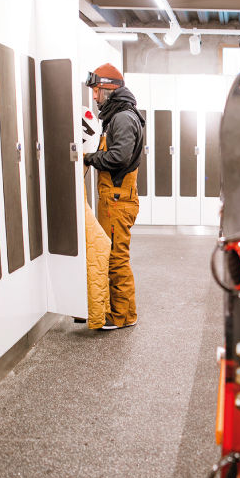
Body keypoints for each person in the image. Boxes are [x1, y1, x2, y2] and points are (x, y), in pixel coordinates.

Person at [83, 63, 145, 330]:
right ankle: (126, 313)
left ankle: (120, 316)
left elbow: (119, 156)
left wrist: (89, 158)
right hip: (116, 197)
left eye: (97, 91)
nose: (95, 97)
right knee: (116, 254)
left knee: (116, 257)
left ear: (108, 89)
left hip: (117, 199)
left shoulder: (122, 118)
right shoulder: (120, 115)